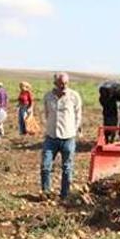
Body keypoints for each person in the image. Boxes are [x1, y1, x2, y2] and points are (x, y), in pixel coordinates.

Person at [41, 72, 82, 200]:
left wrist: (74, 130)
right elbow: (47, 114)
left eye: (65, 83)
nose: (63, 85)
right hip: (51, 137)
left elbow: (78, 115)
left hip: (68, 137)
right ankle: (46, 192)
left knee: (67, 168)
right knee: (45, 165)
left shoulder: (74, 96)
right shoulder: (48, 97)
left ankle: (65, 194)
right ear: (55, 83)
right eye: (61, 83)